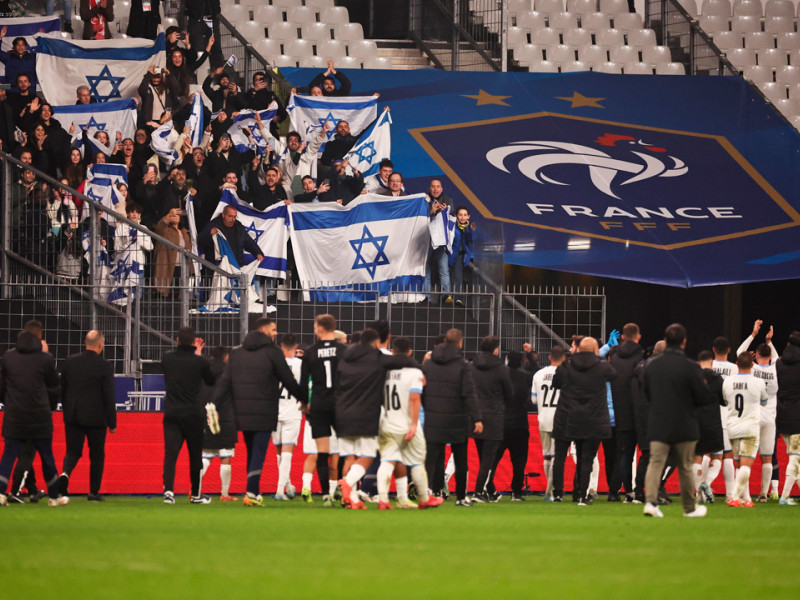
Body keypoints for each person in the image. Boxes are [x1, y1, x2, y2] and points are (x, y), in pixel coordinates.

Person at [212, 317, 304, 507]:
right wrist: (305, 400)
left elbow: (225, 382)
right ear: (264, 331)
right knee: (258, 451)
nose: (276, 333)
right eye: (273, 329)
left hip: (242, 411)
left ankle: (251, 491)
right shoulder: (273, 353)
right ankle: (252, 492)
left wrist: (213, 404)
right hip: (265, 410)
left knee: (251, 450)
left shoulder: (237, 354)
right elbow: (288, 380)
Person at [334, 329, 416, 509]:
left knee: (351, 457)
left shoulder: (345, 360)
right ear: (377, 342)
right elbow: (401, 360)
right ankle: (348, 484)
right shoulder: (379, 359)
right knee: (373, 454)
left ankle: (352, 498)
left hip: (343, 411)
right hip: (370, 412)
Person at [642, 323, 715, 518]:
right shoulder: (691, 367)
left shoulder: (652, 365)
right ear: (684, 342)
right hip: (685, 423)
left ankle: (650, 502)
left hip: (658, 422)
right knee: (685, 467)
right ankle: (689, 509)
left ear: (665, 341)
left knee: (655, 463)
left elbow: (646, 392)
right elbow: (704, 397)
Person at [0, 320, 66, 507]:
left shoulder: (9, 357)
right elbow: (54, 388)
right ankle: (55, 497)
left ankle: (0, 492)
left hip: (14, 416)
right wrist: (50, 407)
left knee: (9, 455)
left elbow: (2, 388)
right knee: (47, 456)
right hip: (39, 417)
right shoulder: (45, 359)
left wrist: (11, 404)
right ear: (39, 336)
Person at [376, 336, 444, 510]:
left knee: (387, 461)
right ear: (410, 352)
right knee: (416, 461)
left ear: (393, 352)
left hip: (387, 422)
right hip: (406, 423)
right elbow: (414, 398)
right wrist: (414, 424)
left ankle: (383, 499)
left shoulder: (384, 372)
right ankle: (423, 497)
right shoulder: (415, 373)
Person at [552, 337, 616, 506]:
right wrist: (600, 356)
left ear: (579, 349)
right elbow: (613, 374)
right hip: (595, 417)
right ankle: (581, 494)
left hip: (573, 416)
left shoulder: (568, 366)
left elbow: (558, 382)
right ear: (596, 350)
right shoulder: (601, 366)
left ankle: (560, 492)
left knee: (568, 455)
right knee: (587, 458)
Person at [422, 328, 483, 506]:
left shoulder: (429, 364)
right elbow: (469, 394)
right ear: (460, 343)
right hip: (457, 419)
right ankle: (461, 497)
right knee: (460, 459)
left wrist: (430, 409)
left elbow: (423, 391)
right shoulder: (463, 365)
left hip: (434, 418)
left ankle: (429, 492)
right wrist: (477, 418)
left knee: (432, 459)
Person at [56, 330, 116, 502]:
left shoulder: (70, 362)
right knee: (97, 454)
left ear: (85, 343)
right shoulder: (104, 366)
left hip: (73, 415)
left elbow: (63, 390)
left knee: (73, 452)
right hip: (97, 418)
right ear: (100, 345)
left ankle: (65, 474)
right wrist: (112, 422)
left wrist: (67, 411)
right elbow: (109, 395)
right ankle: (94, 492)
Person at [161, 327, 215, 504]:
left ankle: (168, 492)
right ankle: (196, 495)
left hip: (172, 413)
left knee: (171, 455)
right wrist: (199, 355)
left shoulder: (167, 358)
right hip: (193, 414)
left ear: (177, 340)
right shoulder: (199, 362)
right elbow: (210, 380)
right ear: (194, 343)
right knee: (194, 456)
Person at [300, 314, 348, 505]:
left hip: (319, 405)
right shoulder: (344, 351)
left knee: (322, 451)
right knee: (344, 450)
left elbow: (304, 383)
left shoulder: (310, 352)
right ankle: (342, 490)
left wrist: (305, 403)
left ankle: (326, 495)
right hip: (340, 404)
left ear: (320, 328)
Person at [735, 320, 779, 502]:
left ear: (756, 356)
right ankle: (763, 494)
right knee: (767, 458)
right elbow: (777, 359)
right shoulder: (777, 369)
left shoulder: (752, 370)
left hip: (752, 417)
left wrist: (753, 334)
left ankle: (743, 494)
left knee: (747, 457)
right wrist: (770, 341)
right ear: (768, 355)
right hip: (769, 419)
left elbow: (739, 353)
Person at [469, 335, 513, 503]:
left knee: (483, 457)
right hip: (494, 416)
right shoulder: (501, 368)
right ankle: (478, 492)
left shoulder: (472, 366)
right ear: (495, 350)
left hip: (476, 416)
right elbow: (509, 393)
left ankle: (490, 490)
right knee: (489, 459)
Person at [723, 352, 768, 508]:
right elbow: (764, 401)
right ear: (752, 365)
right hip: (750, 427)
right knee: (746, 466)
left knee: (739, 466)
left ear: (736, 364)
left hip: (732, 427)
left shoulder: (727, 382)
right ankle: (735, 497)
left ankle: (746, 498)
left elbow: (724, 400)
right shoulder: (758, 382)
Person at [607, 323, 644, 502]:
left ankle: (625, 491)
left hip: (620, 413)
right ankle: (640, 490)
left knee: (624, 454)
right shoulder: (640, 356)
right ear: (638, 336)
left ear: (622, 337)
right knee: (646, 454)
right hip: (639, 412)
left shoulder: (614, 358)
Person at [199, 346, 237, 501]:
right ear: (226, 356)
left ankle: (194, 488)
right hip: (224, 414)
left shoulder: (204, 369)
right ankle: (225, 494)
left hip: (206, 413)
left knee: (207, 454)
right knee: (225, 454)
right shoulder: (227, 370)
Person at [532, 345, 565, 501]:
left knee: (547, 456)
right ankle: (550, 491)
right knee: (558, 456)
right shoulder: (565, 373)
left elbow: (533, 399)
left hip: (543, 418)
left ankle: (549, 490)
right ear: (564, 358)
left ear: (549, 357)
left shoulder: (538, 374)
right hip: (560, 419)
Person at [273, 334, 303, 501]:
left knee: (279, 453)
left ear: (281, 345)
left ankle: (288, 485)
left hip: (275, 411)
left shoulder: (275, 364)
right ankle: (280, 490)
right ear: (296, 345)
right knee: (287, 453)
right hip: (293, 411)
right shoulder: (301, 365)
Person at [709, 336, 737, 501]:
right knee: (728, 455)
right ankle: (730, 494)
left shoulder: (708, 366)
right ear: (729, 350)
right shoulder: (734, 369)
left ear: (713, 349)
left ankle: (701, 490)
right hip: (728, 415)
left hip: (709, 415)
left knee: (707, 454)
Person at [775, 330, 800, 505]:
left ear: (788, 344)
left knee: (795, 456)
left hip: (782, 416)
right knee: (795, 458)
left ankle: (785, 496)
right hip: (797, 417)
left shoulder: (778, 363)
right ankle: (784, 497)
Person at [424, 179, 452, 304]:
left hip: (441, 241)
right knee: (426, 269)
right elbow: (420, 217)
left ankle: (447, 296)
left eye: (438, 187)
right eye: (433, 186)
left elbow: (452, 219)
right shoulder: (423, 200)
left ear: (441, 188)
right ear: (430, 188)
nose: (435, 189)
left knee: (443, 269)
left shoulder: (448, 200)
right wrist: (431, 211)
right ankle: (426, 297)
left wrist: (444, 211)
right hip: (426, 239)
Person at [449, 206, 475, 306]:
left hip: (460, 255)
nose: (462, 217)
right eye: (460, 215)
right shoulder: (452, 225)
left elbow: (469, 241)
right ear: (456, 216)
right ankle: (447, 296)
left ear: (468, 216)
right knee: (446, 276)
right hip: (449, 253)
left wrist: (470, 231)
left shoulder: (469, 228)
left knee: (458, 277)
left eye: (465, 215)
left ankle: (459, 298)